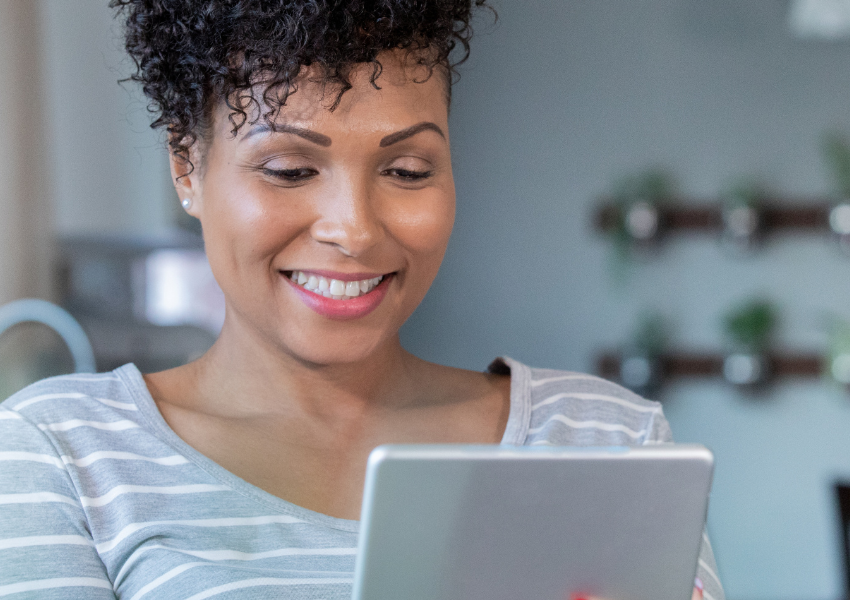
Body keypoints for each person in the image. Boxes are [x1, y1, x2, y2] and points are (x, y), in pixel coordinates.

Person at [0, 1, 724, 598]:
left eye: (407, 170)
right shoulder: (61, 456)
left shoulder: (606, 442)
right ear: (187, 165)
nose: (354, 229)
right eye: (289, 169)